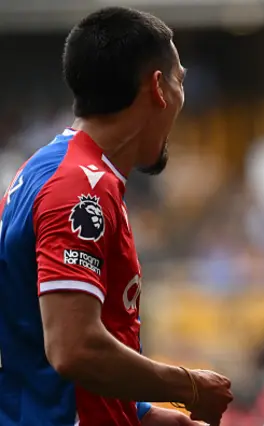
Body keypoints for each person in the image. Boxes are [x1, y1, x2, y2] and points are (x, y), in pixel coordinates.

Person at [0, 7, 232, 426]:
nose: (183, 98)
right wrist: (188, 385)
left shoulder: (53, 169)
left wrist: (151, 417)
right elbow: (75, 348)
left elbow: (37, 346)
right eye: (181, 79)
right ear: (159, 88)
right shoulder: (78, 187)